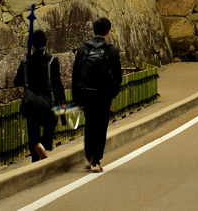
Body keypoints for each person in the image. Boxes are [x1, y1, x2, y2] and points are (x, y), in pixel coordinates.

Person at [73, 16, 122, 172]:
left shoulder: (82, 50)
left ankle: (88, 156)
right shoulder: (111, 50)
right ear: (108, 31)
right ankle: (96, 160)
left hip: (86, 94)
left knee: (90, 125)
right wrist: (111, 94)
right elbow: (117, 76)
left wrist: (77, 97)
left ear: (93, 30)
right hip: (103, 95)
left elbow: (76, 76)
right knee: (101, 127)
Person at [14, 29, 66, 162]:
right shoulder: (51, 61)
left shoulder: (25, 63)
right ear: (46, 43)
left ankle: (35, 157)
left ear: (32, 45)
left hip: (30, 102)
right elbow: (57, 84)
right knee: (51, 121)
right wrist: (62, 101)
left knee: (33, 129)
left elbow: (16, 81)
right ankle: (43, 144)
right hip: (45, 100)